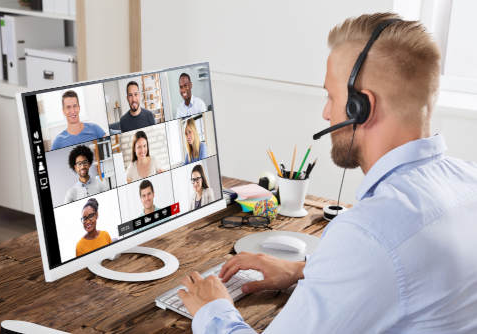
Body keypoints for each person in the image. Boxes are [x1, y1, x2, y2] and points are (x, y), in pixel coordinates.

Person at [177, 13, 477, 333]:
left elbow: (380, 258)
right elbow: (406, 277)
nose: (325, 112)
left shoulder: (370, 234)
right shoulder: (467, 181)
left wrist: (213, 308)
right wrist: (305, 270)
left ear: (360, 107)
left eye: (331, 97)